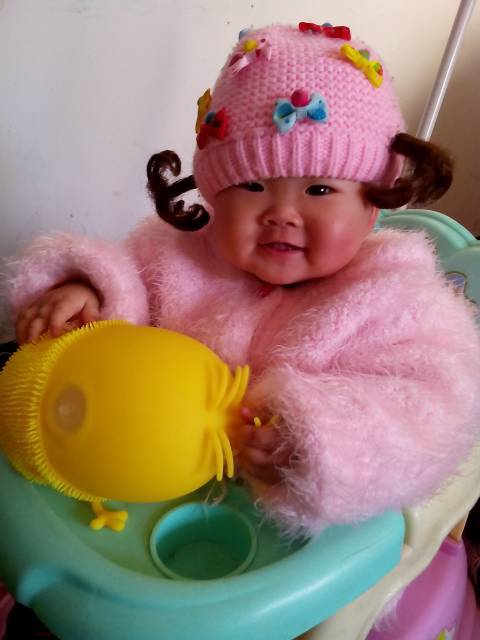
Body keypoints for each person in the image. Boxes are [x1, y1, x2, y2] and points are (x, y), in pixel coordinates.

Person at [5, 23, 480, 539]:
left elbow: (436, 410)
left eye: (319, 190)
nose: (282, 214)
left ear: (371, 207)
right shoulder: (176, 254)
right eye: (252, 185)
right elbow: (125, 283)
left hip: (280, 534)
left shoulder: (394, 296)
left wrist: (312, 443)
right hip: (138, 486)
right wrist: (87, 292)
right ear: (213, 194)